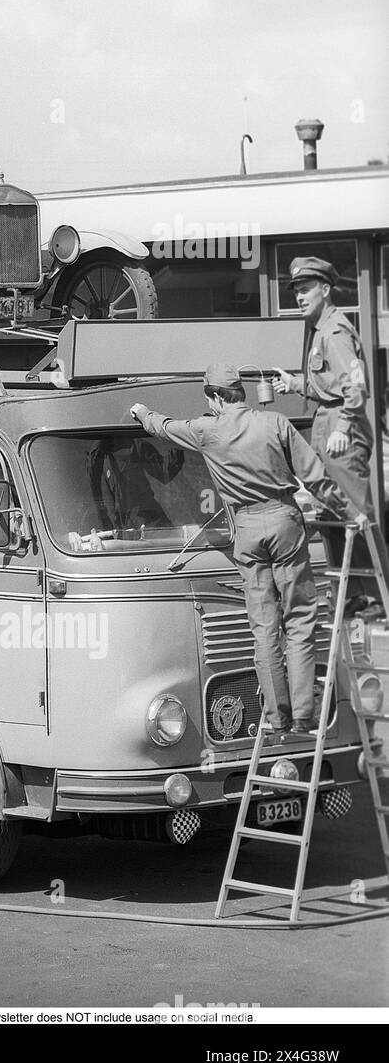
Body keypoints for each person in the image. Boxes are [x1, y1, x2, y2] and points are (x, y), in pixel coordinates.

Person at [130, 362, 365, 736]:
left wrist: (143, 413)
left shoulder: (206, 430)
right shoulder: (275, 423)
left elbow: (165, 428)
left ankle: (278, 717)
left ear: (216, 397)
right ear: (239, 393)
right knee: (300, 618)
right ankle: (304, 715)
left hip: (247, 529)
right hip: (284, 521)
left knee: (264, 626)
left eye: (209, 399)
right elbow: (316, 477)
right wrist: (352, 513)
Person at [271, 256, 375, 518]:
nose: (300, 297)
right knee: (332, 513)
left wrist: (342, 429)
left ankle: (365, 548)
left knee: (355, 514)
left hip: (341, 427)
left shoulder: (334, 331)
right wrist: (293, 383)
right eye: (297, 291)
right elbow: (329, 385)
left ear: (325, 290)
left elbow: (355, 387)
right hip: (326, 421)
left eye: (306, 290)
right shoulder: (319, 330)